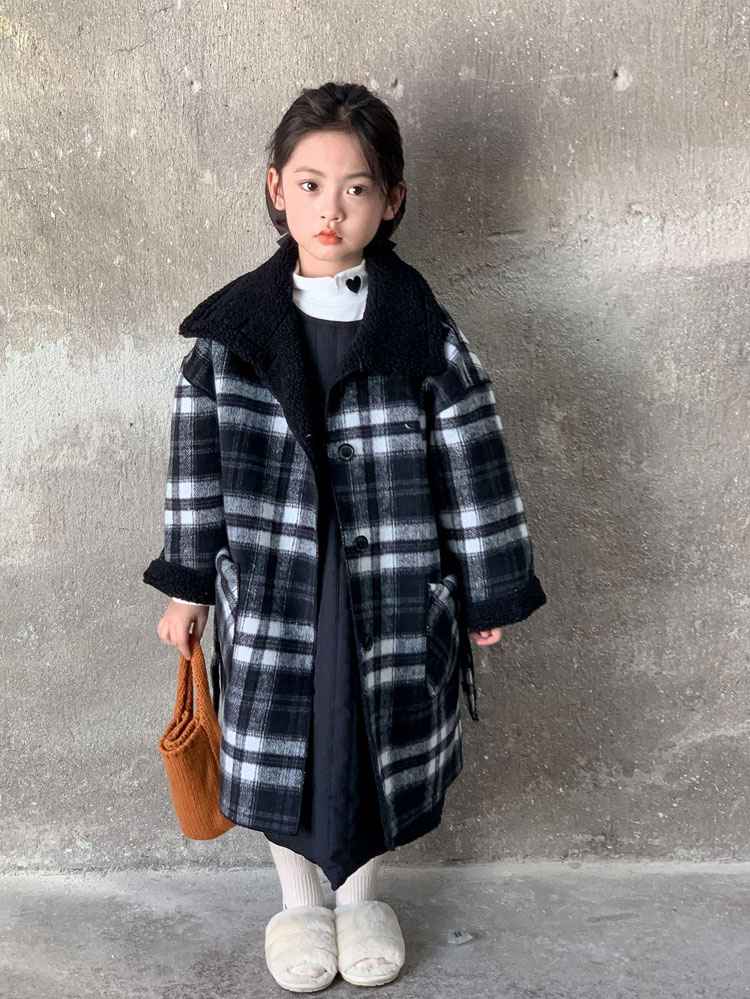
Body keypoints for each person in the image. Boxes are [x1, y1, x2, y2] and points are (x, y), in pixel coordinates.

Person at [143, 81, 547, 992]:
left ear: (392, 199)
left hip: (391, 579)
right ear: (276, 189)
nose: (333, 209)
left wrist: (486, 583)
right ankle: (298, 906)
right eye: (311, 184)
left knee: (372, 737)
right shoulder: (231, 335)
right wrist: (188, 584)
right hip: (277, 581)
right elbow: (196, 466)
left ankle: (361, 898)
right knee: (280, 741)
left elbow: (472, 453)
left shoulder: (420, 328)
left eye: (357, 187)